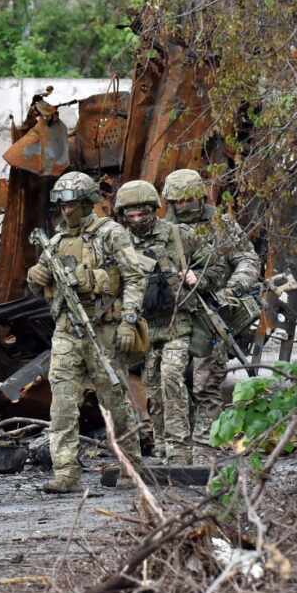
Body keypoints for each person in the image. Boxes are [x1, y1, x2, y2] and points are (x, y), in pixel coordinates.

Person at [26, 171, 146, 493]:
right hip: (66, 331)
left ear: (88, 202)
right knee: (62, 403)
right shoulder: (54, 243)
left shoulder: (111, 234)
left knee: (115, 401)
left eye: (74, 205)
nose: (67, 211)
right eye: (63, 205)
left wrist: (128, 321)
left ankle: (131, 465)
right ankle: (66, 473)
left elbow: (134, 278)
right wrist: (36, 278)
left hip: (103, 329)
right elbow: (42, 289)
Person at [114, 180, 224, 465]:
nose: (137, 221)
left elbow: (217, 265)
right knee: (153, 388)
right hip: (147, 329)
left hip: (179, 323)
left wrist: (196, 278)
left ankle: (179, 449)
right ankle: (162, 446)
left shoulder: (178, 235)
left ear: (154, 210)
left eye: (143, 214)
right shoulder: (120, 242)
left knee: (172, 377)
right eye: (131, 215)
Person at [162, 169, 260, 446]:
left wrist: (233, 289)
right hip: (176, 314)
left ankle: (207, 446)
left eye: (188, 200)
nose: (182, 207)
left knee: (206, 382)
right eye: (177, 202)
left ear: (199, 197)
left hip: (213, 310)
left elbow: (247, 260)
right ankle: (174, 447)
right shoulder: (164, 230)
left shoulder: (221, 224)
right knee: (170, 380)